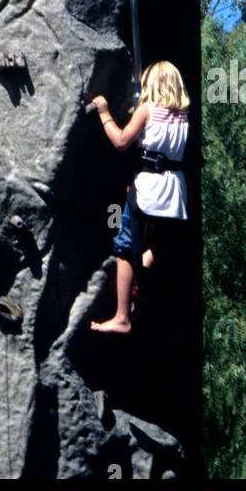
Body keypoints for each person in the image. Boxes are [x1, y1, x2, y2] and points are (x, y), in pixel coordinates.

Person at [88, 60, 190, 335]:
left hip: (149, 190)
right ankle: (141, 278)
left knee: (124, 246)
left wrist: (105, 113)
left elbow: (121, 141)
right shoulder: (183, 116)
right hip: (175, 193)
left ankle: (122, 316)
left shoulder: (147, 110)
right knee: (157, 246)